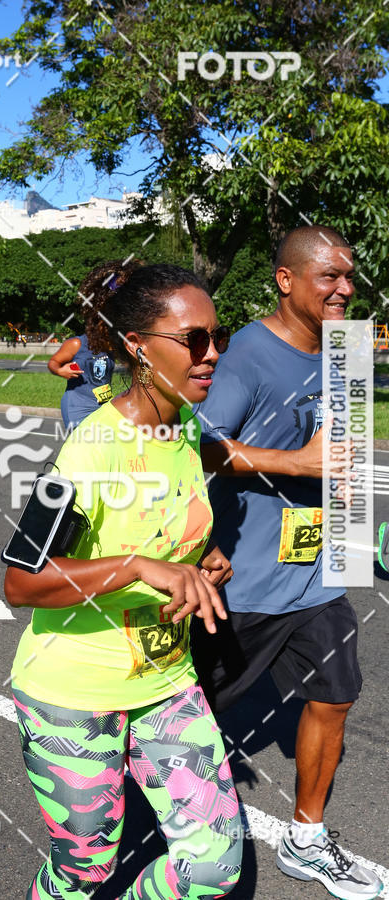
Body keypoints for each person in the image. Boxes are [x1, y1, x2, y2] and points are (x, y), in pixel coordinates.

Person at [4, 262, 241, 900]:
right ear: (139, 346)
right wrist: (137, 568)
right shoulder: (89, 448)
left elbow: (172, 526)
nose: (212, 354)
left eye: (219, 336)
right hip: (73, 692)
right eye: (194, 340)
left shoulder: (186, 428)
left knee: (213, 866)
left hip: (168, 683)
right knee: (84, 871)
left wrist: (206, 559)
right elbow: (22, 582)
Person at [191, 225, 382, 900]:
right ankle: (151, 821)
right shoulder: (245, 353)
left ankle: (306, 838)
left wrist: (357, 515)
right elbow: (202, 446)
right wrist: (293, 463)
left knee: (336, 694)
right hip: (244, 578)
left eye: (349, 276)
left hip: (316, 572)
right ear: (286, 280)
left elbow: (346, 454)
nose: (345, 289)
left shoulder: (345, 352)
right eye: (329, 276)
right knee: (194, 713)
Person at [48, 266, 121, 429]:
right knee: (81, 447)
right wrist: (60, 371)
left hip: (104, 406)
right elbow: (53, 362)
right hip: (77, 406)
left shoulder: (110, 345)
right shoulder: (76, 344)